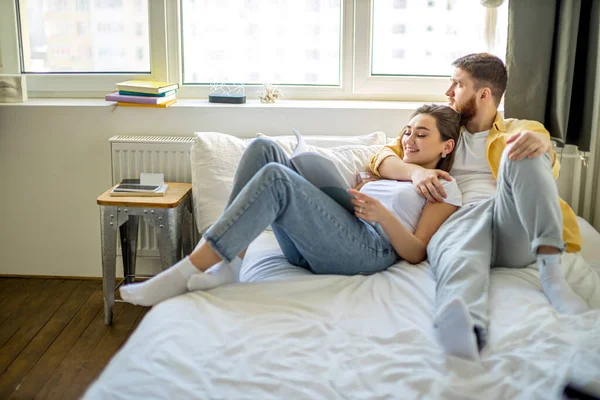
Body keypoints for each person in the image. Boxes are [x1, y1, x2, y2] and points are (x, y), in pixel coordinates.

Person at [119, 104, 462, 307]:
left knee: (276, 177)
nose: (409, 140)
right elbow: (381, 165)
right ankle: (231, 265)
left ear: (446, 147)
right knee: (263, 148)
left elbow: (417, 252)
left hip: (370, 249)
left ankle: (186, 271)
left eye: (421, 134)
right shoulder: (391, 166)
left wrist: (383, 215)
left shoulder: (446, 187)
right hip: (331, 236)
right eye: (407, 131)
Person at [369, 53, 589, 361]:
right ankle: (465, 325)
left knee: (525, 146)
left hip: (513, 226)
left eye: (457, 84)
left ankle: (552, 275)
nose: (448, 92)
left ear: (483, 94)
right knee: (464, 243)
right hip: (457, 225)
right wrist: (417, 172)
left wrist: (543, 148)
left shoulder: (520, 129)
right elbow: (382, 157)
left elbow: (545, 164)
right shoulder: (442, 130)